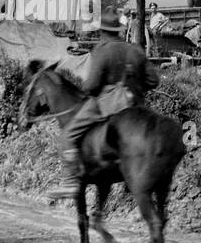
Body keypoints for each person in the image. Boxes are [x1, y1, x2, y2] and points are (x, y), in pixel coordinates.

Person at [43, 39, 160, 201]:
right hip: (135, 107)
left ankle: (70, 182)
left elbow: (91, 86)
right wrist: (135, 88)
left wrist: (97, 89)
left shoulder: (103, 50)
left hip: (108, 105)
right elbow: (154, 81)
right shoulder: (136, 50)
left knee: (67, 135)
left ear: (103, 31)